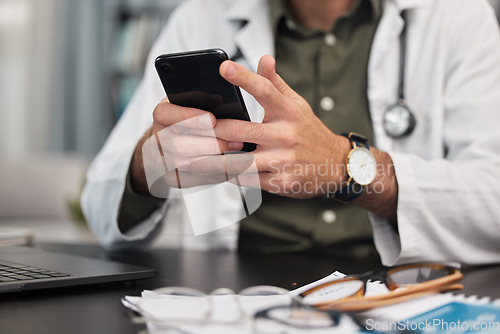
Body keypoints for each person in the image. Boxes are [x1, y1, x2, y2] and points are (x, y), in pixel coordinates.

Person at [81, 0, 500, 266]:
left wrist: (344, 166)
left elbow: (493, 202)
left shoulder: (458, 16)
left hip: (396, 297)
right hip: (238, 300)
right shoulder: (200, 17)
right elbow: (100, 208)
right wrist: (148, 166)